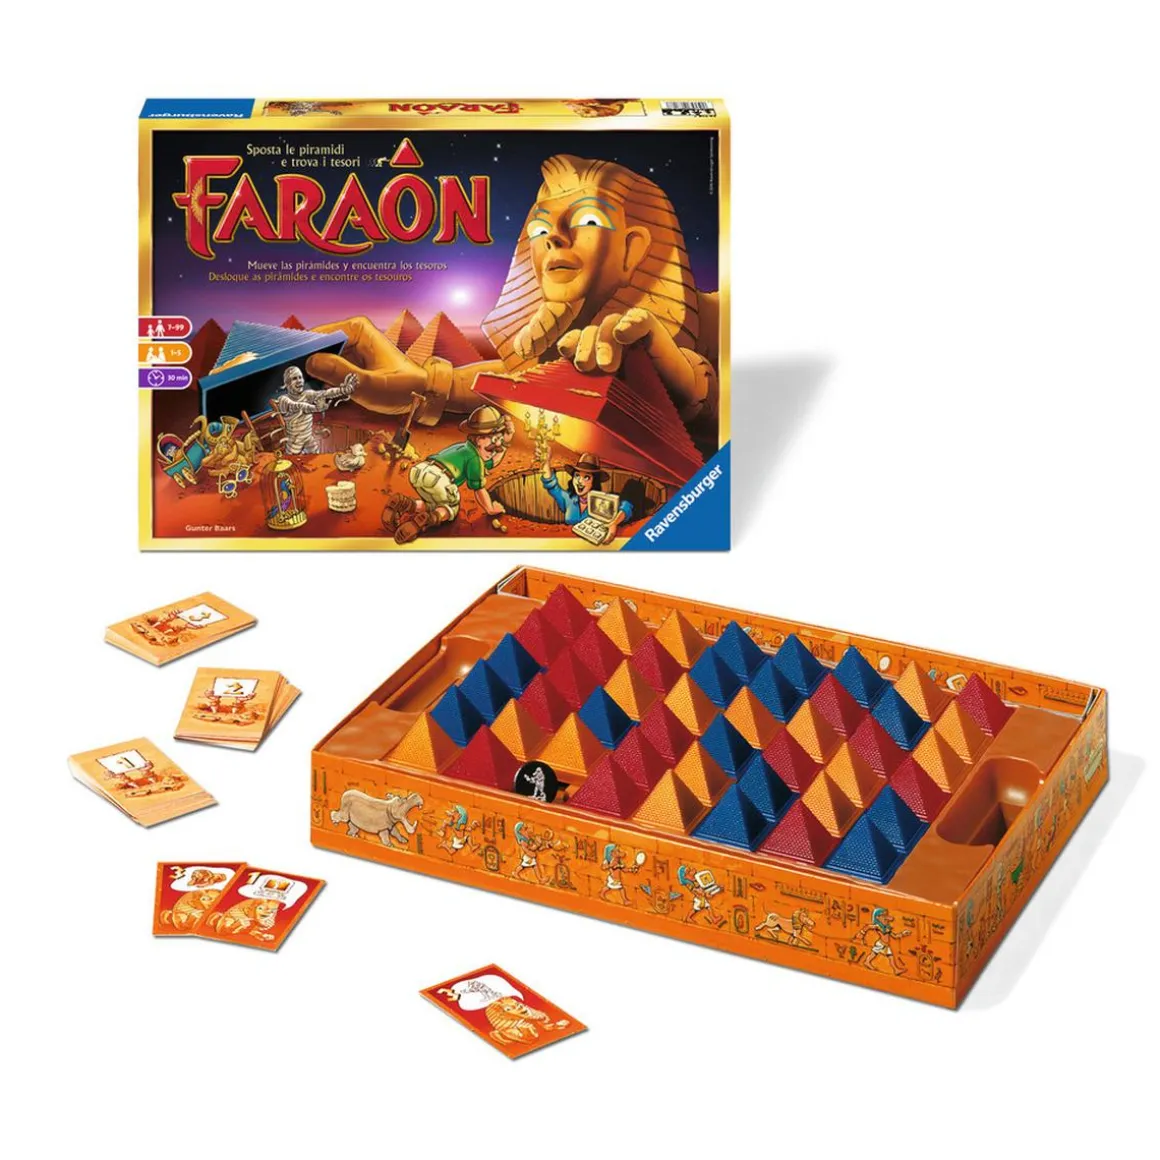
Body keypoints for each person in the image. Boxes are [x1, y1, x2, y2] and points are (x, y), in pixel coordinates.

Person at [304, 154, 718, 426]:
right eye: (539, 227)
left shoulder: (728, 314)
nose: (554, 237)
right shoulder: (573, 321)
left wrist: (675, 378)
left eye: (588, 220)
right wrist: (424, 383)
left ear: (633, 249)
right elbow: (527, 380)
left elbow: (711, 394)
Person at [386, 404, 514, 543]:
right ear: (479, 440)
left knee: (433, 502)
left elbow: (491, 463)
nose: (495, 449)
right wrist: (490, 509)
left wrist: (506, 442)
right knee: (450, 508)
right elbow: (479, 489)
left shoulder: (462, 448)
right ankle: (426, 520)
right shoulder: (474, 458)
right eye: (494, 441)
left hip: (420, 471)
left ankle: (405, 503)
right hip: (439, 479)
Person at [540, 450, 632, 541]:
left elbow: (626, 506)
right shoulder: (567, 498)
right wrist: (546, 463)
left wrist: (615, 523)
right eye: (577, 476)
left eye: (586, 477)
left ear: (594, 482)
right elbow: (552, 485)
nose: (579, 481)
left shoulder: (602, 501)